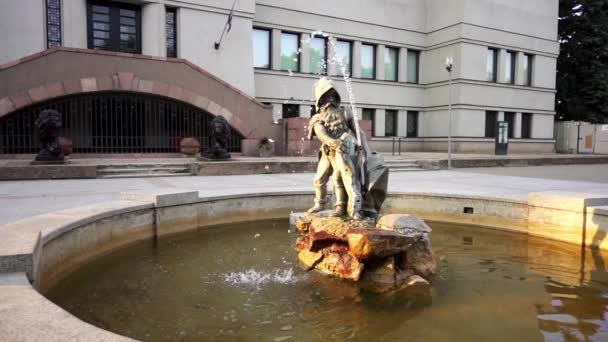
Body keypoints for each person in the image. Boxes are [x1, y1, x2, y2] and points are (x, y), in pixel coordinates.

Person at [307, 77, 363, 220]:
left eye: (333, 96)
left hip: (342, 152)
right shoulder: (317, 117)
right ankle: (320, 203)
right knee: (319, 179)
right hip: (327, 152)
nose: (330, 99)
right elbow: (321, 133)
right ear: (321, 99)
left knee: (338, 179)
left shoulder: (345, 113)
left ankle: (341, 207)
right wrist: (332, 142)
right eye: (327, 96)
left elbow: (359, 131)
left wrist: (365, 150)